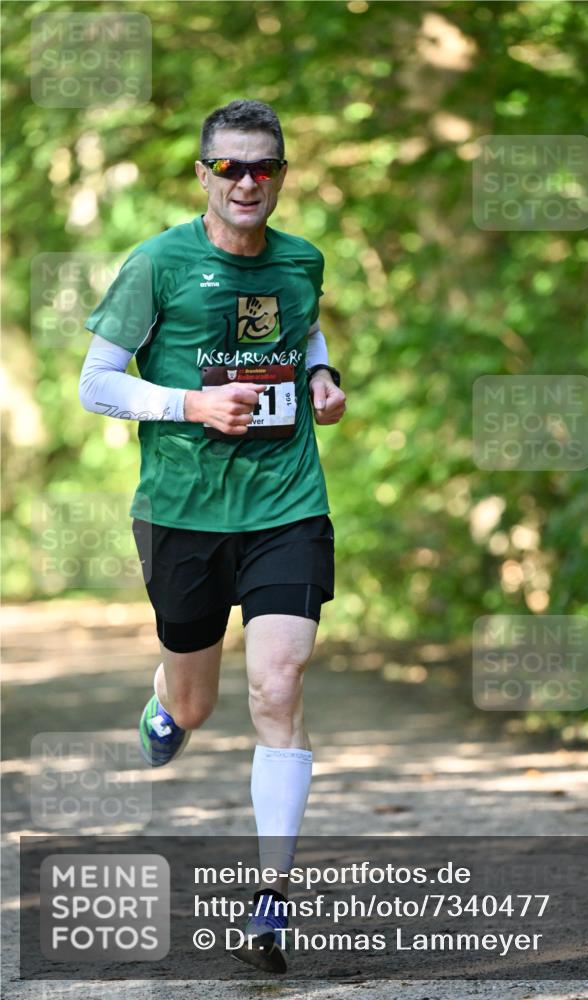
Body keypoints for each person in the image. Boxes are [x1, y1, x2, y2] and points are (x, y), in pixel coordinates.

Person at [79, 99, 346, 974]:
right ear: (202, 174)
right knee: (198, 705)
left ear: (281, 175)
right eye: (228, 166)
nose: (245, 181)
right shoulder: (157, 262)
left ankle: (271, 902)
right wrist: (188, 403)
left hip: (285, 503)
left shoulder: (301, 258)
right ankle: (167, 698)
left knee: (278, 682)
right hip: (183, 512)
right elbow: (97, 384)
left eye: (262, 166)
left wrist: (321, 375)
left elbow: (302, 325)